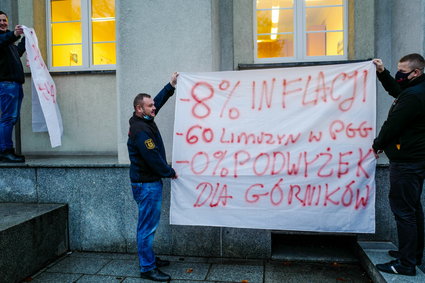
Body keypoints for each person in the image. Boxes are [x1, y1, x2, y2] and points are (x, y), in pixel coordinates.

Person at [373, 54, 425, 276]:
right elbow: (397, 91)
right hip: (415, 159)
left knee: (404, 211)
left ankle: (405, 264)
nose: (399, 75)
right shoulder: (416, 90)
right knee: (413, 209)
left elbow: (393, 124)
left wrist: (378, 144)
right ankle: (412, 254)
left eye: (402, 71)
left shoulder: (413, 96)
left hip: (407, 162)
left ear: (416, 72)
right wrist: (383, 73)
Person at [127, 72, 178, 281]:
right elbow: (153, 159)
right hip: (146, 185)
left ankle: (149, 259)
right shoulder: (140, 130)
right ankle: (147, 267)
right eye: (149, 106)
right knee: (147, 228)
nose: (154, 108)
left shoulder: (144, 119)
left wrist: (170, 86)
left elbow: (157, 101)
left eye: (152, 105)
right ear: (140, 109)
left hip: (147, 183)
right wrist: (169, 172)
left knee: (149, 225)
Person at [0, 10, 25, 163]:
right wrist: (15, 34)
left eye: (4, 20)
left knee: (11, 118)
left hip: (14, 85)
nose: (3, 22)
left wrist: (26, 40)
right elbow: (4, 39)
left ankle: (6, 149)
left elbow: (17, 52)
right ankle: (5, 150)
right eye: (0, 20)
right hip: (7, 85)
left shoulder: (8, 42)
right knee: (8, 118)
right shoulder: (3, 39)